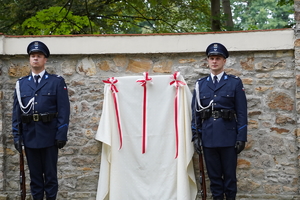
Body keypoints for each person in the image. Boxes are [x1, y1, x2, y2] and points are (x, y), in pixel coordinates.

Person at [12, 41, 70, 200]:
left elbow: (64, 110)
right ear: (29, 59)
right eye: (32, 56)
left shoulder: (56, 82)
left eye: (39, 56)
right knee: (35, 178)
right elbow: (16, 113)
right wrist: (17, 136)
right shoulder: (21, 84)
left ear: (45, 60)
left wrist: (61, 134)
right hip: (30, 137)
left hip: (50, 136)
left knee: (50, 177)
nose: (35, 59)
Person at [191, 43, 247, 200]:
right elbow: (195, 113)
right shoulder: (200, 85)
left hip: (229, 138)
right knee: (214, 179)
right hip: (208, 139)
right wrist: (196, 136)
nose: (214, 61)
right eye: (211, 58)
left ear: (224, 61)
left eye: (218, 58)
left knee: (230, 179)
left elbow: (242, 112)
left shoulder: (234, 83)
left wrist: (241, 137)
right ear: (207, 61)